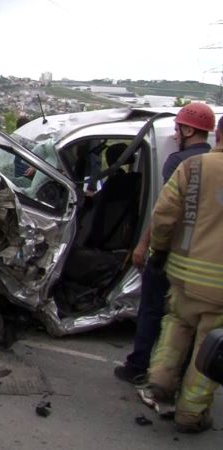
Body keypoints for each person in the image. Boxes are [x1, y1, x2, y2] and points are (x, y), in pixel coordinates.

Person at [114, 103, 216, 385]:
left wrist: (145, 247)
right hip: (206, 263)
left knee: (153, 311)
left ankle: (139, 366)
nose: (175, 133)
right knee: (197, 329)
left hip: (172, 255)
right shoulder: (212, 163)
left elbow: (163, 212)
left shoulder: (182, 164)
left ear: (188, 129)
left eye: (178, 128)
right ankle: (183, 378)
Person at [145, 110, 223, 433]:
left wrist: (158, 251)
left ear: (218, 135)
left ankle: (160, 380)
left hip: (182, 272)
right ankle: (190, 414)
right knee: (211, 345)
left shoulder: (192, 167)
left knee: (176, 323)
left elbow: (163, 215)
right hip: (220, 288)